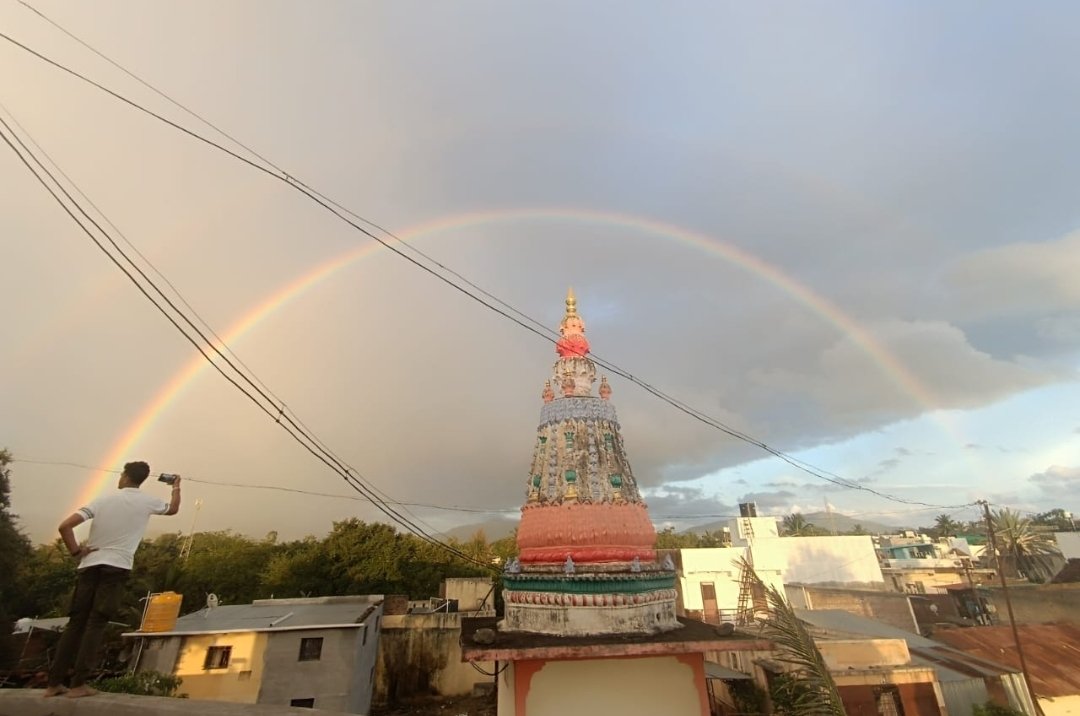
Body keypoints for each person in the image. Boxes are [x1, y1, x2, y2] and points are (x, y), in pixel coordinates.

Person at [44, 461, 181, 698]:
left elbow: (65, 526)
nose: (119, 478)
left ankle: (53, 684)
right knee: (96, 624)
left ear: (126, 476)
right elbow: (173, 509)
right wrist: (176, 486)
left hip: (89, 566)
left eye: (121, 474)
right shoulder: (147, 502)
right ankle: (78, 685)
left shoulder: (102, 500)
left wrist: (76, 552)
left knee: (75, 623)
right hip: (116, 567)